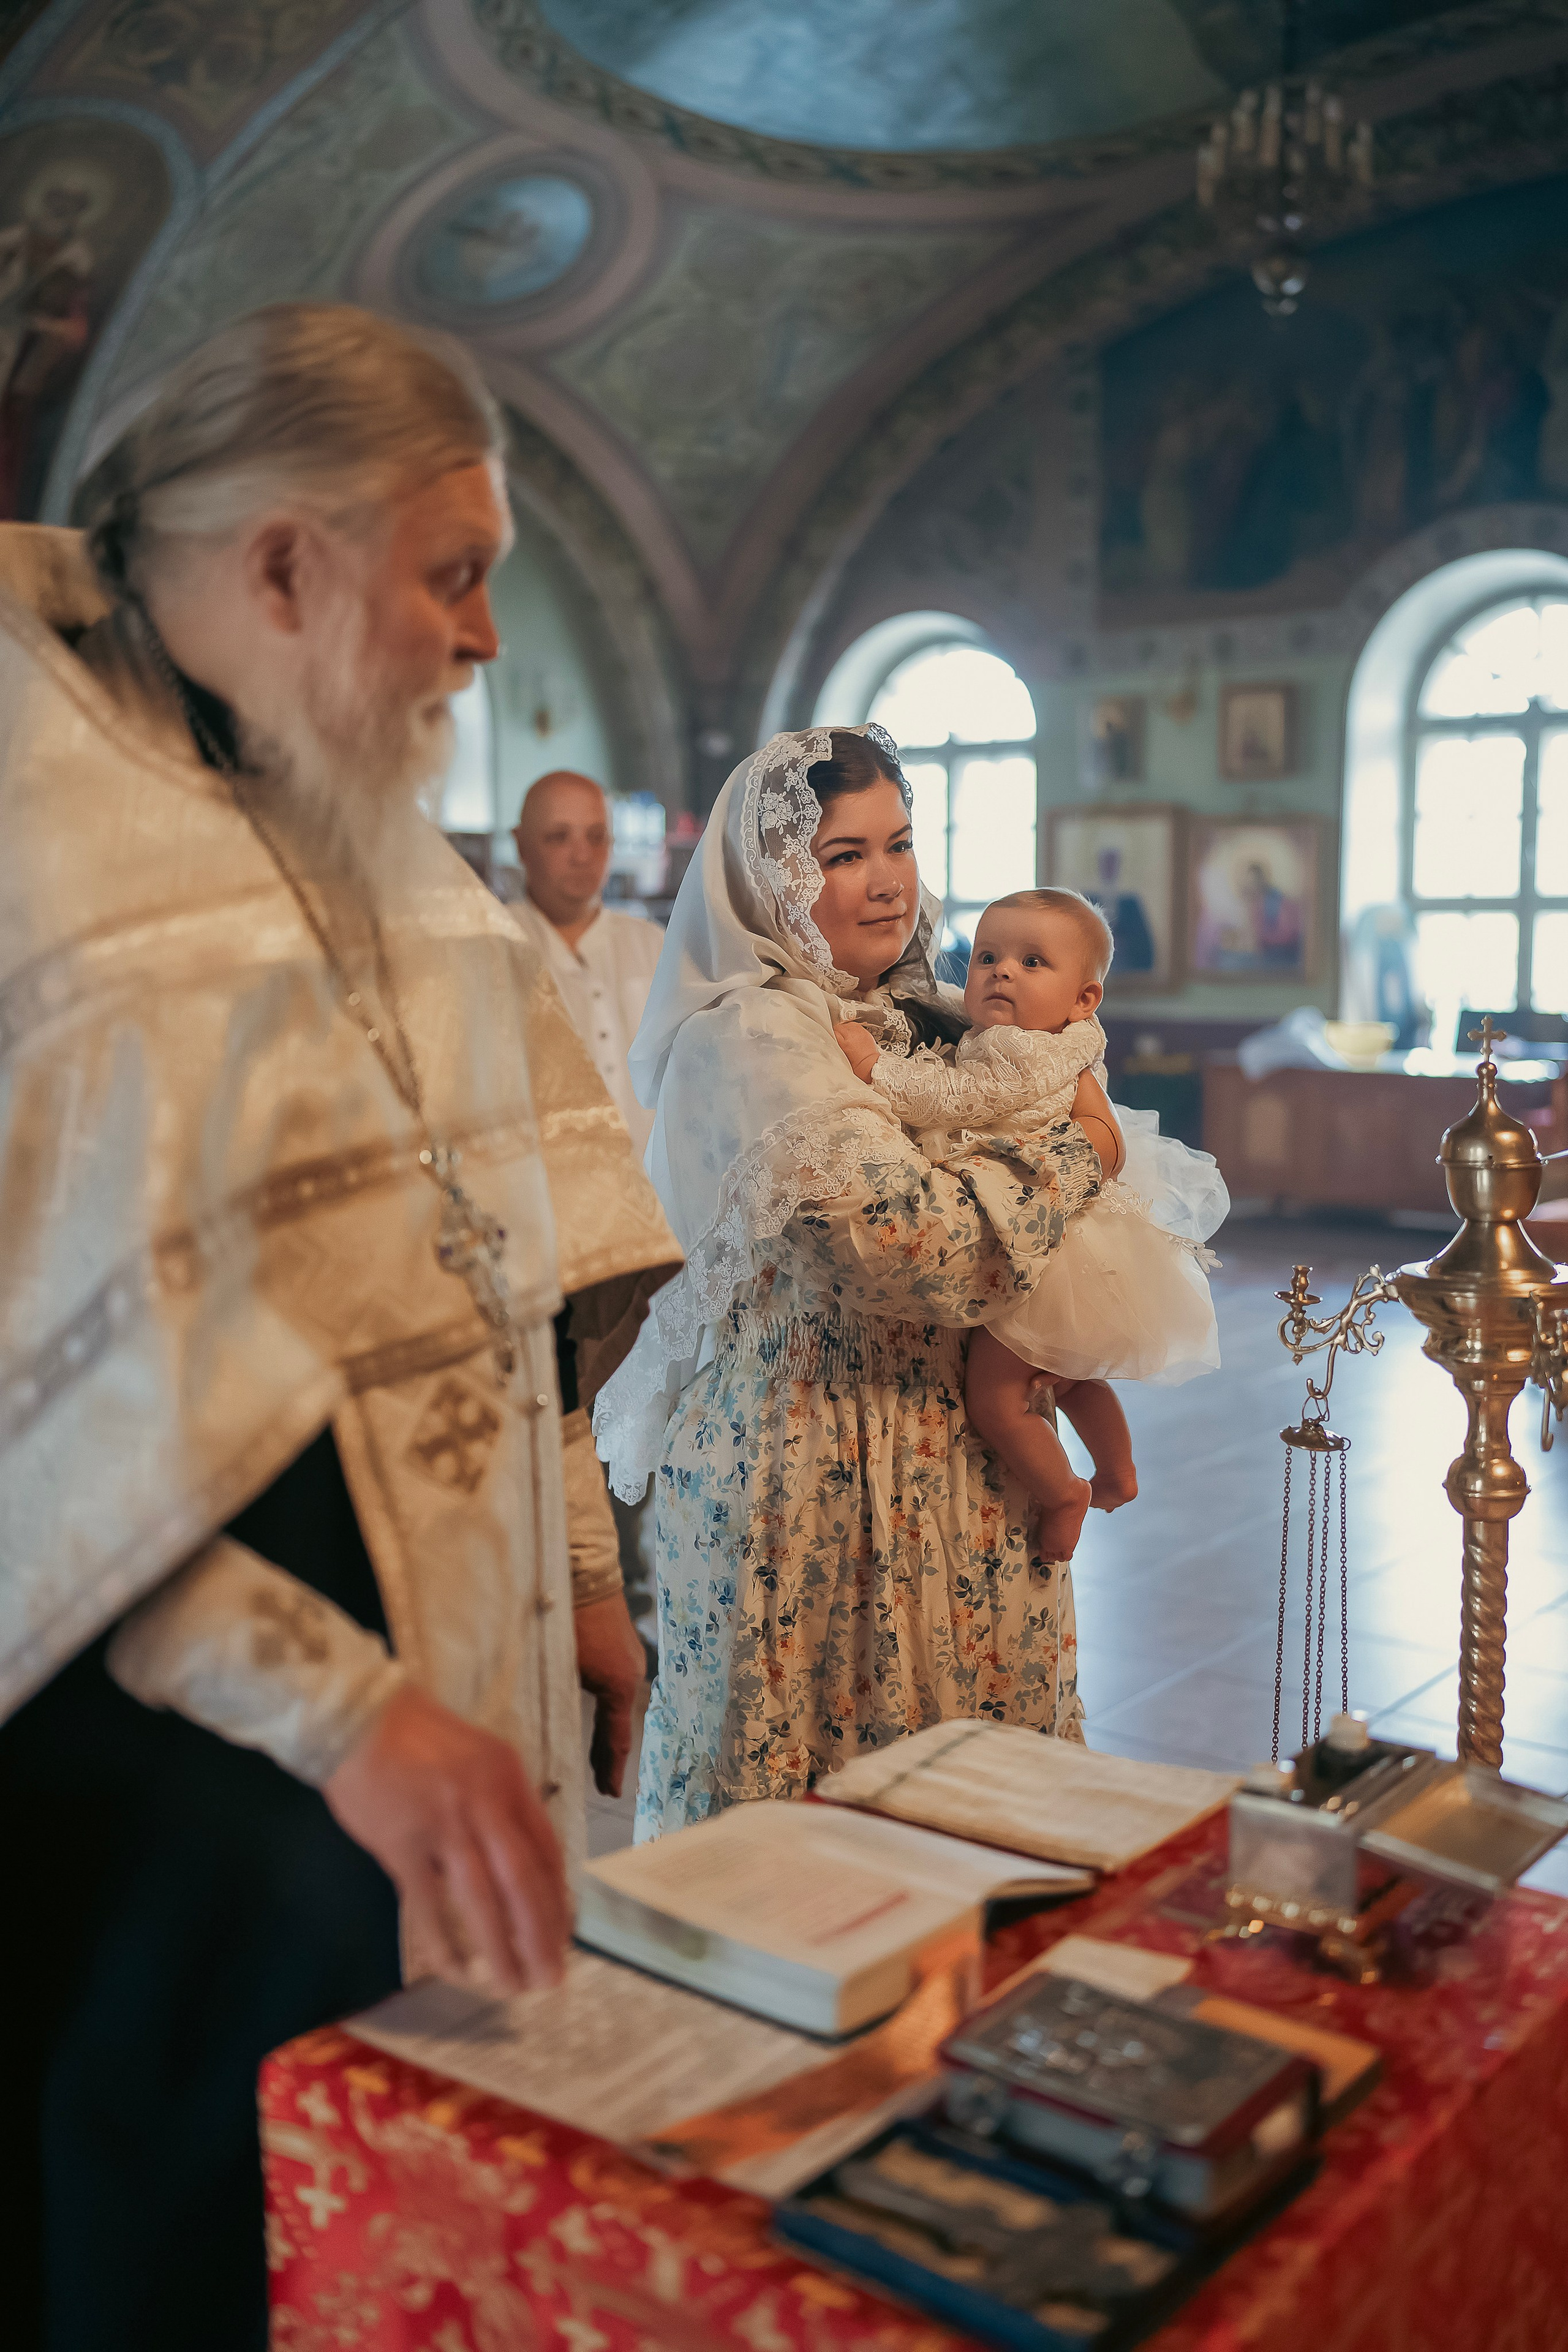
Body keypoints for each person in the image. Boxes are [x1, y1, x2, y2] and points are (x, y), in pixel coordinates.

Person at [0, 302, 680, 2352]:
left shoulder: (389, 855)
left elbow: (507, 1282)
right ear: (282, 564)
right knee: (178, 2248)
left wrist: (575, 1576)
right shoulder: (50, 872)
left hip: (431, 1732)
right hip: (160, 1775)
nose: (484, 641)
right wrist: (344, 1716)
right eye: (454, 572)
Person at [594, 726, 1104, 1841]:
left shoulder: (923, 1018)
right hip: (806, 1468)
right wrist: (1084, 1155)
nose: (886, 881)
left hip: (954, 1466)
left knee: (967, 1811)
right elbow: (917, 1250)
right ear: (774, 878)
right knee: (798, 1812)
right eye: (842, 856)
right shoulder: (756, 1033)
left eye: (901, 843)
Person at [835, 887, 1226, 1562]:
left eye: (1031, 961)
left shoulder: (1022, 1052)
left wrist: (875, 1067)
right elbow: (966, 1019)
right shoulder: (1059, 1040)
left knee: (996, 1397)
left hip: (1049, 1248)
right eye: (987, 955)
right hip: (1081, 1238)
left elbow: (957, 1096)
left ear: (1084, 999)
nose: (1000, 972)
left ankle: (1063, 1493)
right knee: (1069, 1376)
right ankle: (1118, 1471)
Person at [511, 768, 666, 1158]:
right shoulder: (493, 948)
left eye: (596, 837)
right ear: (522, 846)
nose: (583, 854)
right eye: (559, 837)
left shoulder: (653, 946)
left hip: (651, 1195)